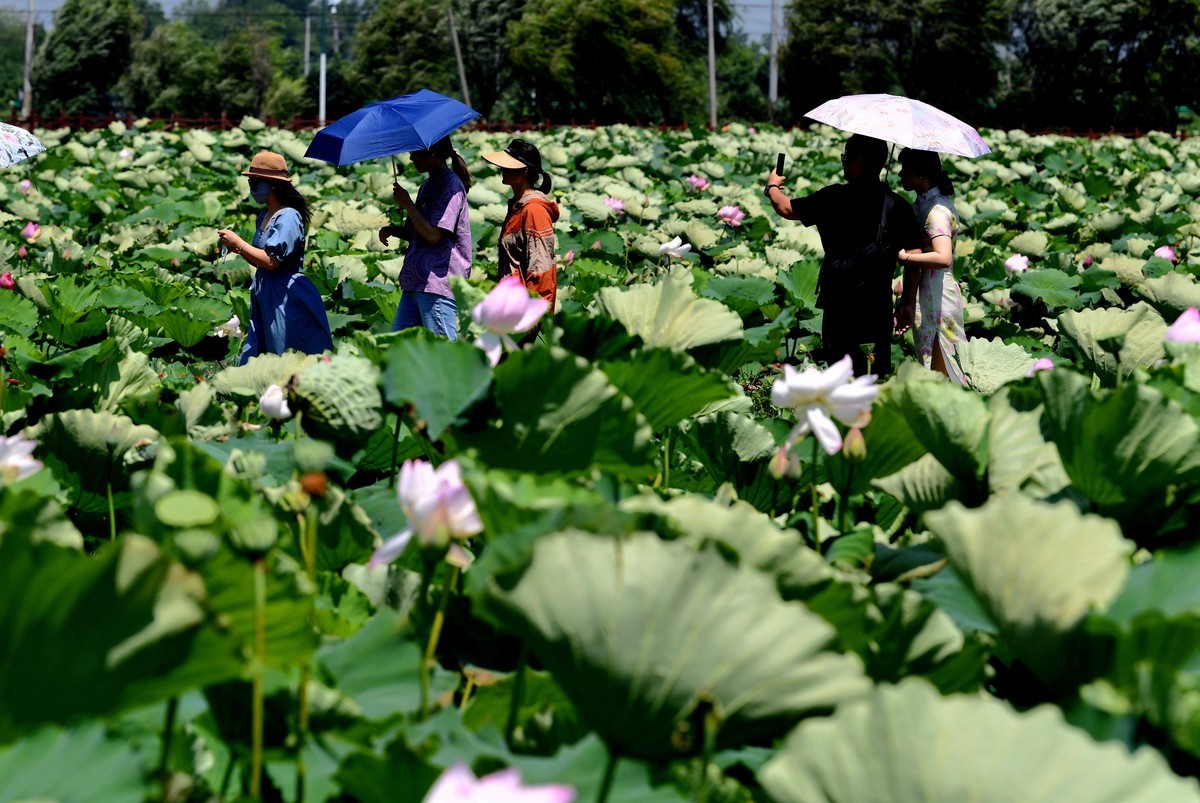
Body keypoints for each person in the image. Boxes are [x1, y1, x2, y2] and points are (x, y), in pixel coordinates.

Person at [765, 134, 922, 376]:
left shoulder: (834, 197)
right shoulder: (899, 206)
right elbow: (914, 260)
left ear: (860, 160)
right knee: (872, 374)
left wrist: (772, 186)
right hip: (876, 307)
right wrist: (907, 303)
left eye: (846, 157)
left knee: (838, 373)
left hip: (838, 303)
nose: (843, 162)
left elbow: (785, 208)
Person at [218, 151, 332, 365]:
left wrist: (240, 243)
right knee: (263, 350)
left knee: (285, 351)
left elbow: (272, 261)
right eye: (250, 182)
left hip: (286, 294)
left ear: (272, 185)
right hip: (264, 290)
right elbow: (259, 260)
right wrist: (238, 248)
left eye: (255, 183)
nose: (252, 188)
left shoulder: (288, 216)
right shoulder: (264, 216)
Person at [378, 136, 473, 340]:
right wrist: (394, 230)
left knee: (441, 354)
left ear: (432, 154)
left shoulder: (451, 186)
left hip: (437, 284)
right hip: (415, 282)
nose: (411, 158)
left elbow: (433, 235)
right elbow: (418, 232)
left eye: (415, 153)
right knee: (400, 350)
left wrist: (408, 205)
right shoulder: (427, 185)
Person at [894, 148, 967, 384]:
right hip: (929, 292)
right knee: (934, 364)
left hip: (936, 297)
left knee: (942, 366)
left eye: (905, 169)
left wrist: (905, 258)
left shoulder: (936, 210)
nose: (900, 174)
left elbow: (943, 257)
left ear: (922, 172)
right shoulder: (929, 202)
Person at [481, 139, 560, 312]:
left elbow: (541, 269)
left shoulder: (534, 210)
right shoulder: (518, 206)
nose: (502, 169)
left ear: (524, 171)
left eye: (508, 166)